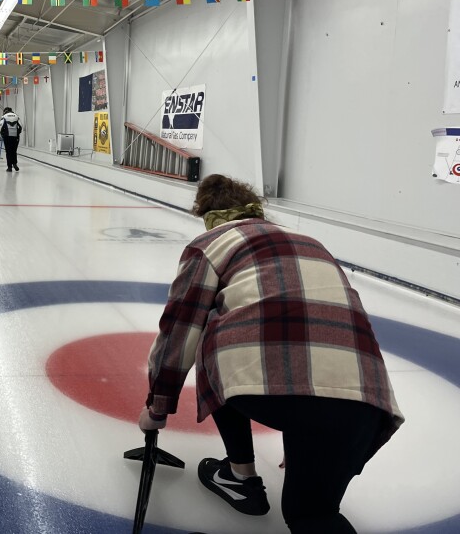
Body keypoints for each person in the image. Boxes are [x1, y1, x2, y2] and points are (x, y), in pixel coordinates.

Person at [138, 174, 403, 534]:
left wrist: (157, 407)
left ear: (208, 214)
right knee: (312, 514)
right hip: (365, 400)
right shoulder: (311, 242)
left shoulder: (211, 244)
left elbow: (180, 330)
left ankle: (240, 475)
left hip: (277, 393)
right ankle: (259, 481)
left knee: (216, 332)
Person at [0, 107, 22, 172]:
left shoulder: (4, 117)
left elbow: (0, 127)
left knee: (8, 152)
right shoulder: (16, 116)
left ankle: (9, 167)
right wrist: (18, 133)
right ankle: (14, 164)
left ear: (5, 111)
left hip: (7, 137)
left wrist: (3, 134)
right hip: (15, 137)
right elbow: (21, 126)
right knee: (14, 151)